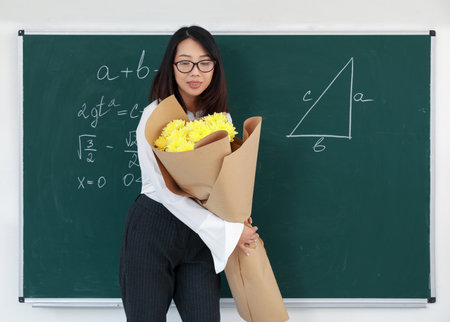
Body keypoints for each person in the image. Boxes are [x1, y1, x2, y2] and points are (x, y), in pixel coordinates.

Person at [119, 25, 259, 322]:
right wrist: (230, 232)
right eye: (185, 62)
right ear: (171, 66)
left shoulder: (222, 119)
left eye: (204, 62)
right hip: (153, 229)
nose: (195, 72)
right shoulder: (154, 115)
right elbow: (167, 192)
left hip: (200, 238)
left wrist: (235, 215)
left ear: (214, 68)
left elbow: (224, 181)